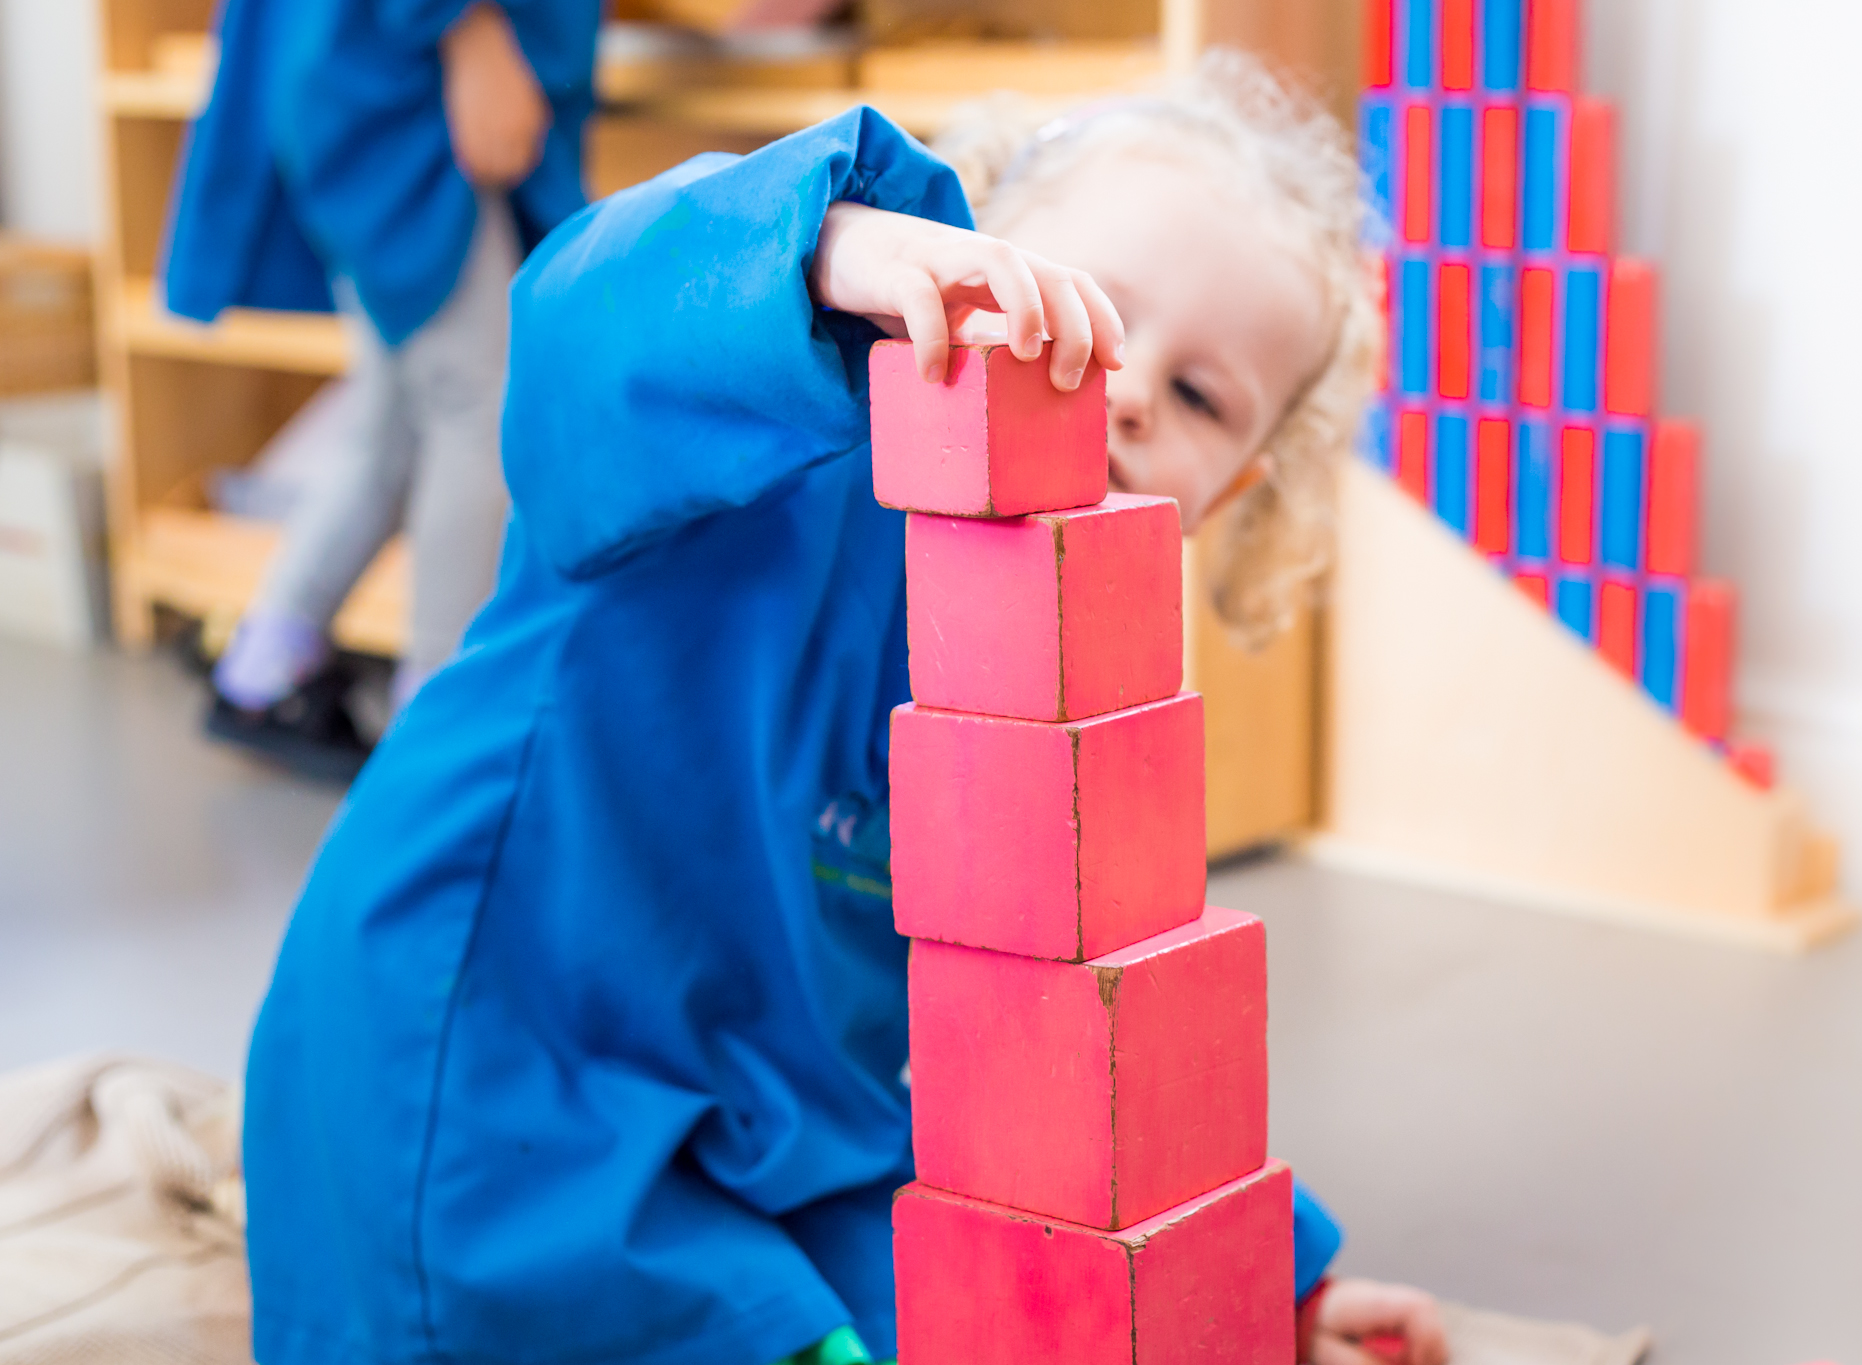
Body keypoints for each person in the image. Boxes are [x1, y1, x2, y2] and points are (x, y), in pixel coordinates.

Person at [239, 51, 1450, 1365]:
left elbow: (1064, 1017)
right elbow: (581, 329)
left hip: (781, 1133)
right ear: (958, 256)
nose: (1131, 386)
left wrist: (1266, 1274)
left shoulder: (1066, 670)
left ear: (1235, 489)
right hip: (498, 1072)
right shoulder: (745, 449)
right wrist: (828, 252)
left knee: (1009, 1310)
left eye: (1203, 398)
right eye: (1084, 309)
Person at [161, 0, 602, 779]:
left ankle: (265, 663)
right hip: (412, 97)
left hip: (365, 90)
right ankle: (437, 724)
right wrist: (470, 30)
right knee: (478, 406)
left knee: (391, 424)